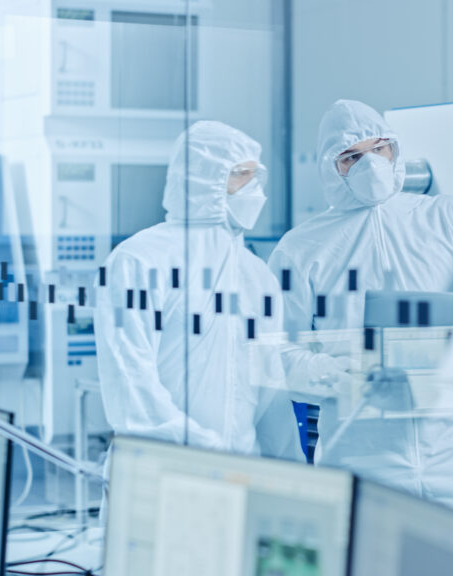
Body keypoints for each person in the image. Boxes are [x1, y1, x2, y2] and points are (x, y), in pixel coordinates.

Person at [268, 99, 453, 522]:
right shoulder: (302, 247)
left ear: (395, 150)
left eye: (378, 148)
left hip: (452, 454)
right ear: (331, 168)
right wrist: (334, 373)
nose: (370, 164)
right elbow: (274, 349)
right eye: (351, 157)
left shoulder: (450, 218)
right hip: (360, 456)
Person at [95, 121, 302, 462]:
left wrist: (288, 469)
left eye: (256, 175)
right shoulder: (139, 260)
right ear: (203, 179)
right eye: (240, 174)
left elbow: (271, 388)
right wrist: (201, 449)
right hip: (163, 467)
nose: (254, 189)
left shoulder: (257, 275)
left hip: (240, 471)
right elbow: (130, 381)